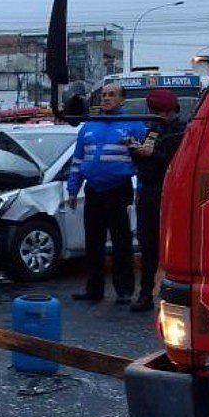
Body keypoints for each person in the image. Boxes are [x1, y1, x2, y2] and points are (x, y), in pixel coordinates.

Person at [66, 82, 150, 305]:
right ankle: (94, 290)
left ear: (122, 100)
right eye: (103, 95)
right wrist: (73, 190)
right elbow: (77, 160)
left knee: (121, 242)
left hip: (118, 190)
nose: (106, 98)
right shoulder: (89, 126)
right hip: (93, 190)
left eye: (111, 95)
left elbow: (147, 155)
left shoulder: (133, 125)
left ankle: (124, 290)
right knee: (93, 242)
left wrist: (142, 187)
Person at [129, 88, 187, 312]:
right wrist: (136, 151)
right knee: (148, 244)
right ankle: (145, 293)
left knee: (173, 246)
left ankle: (171, 294)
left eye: (154, 111)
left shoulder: (180, 132)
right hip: (148, 192)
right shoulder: (152, 131)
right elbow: (145, 163)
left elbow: (174, 162)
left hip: (169, 194)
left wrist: (151, 155)